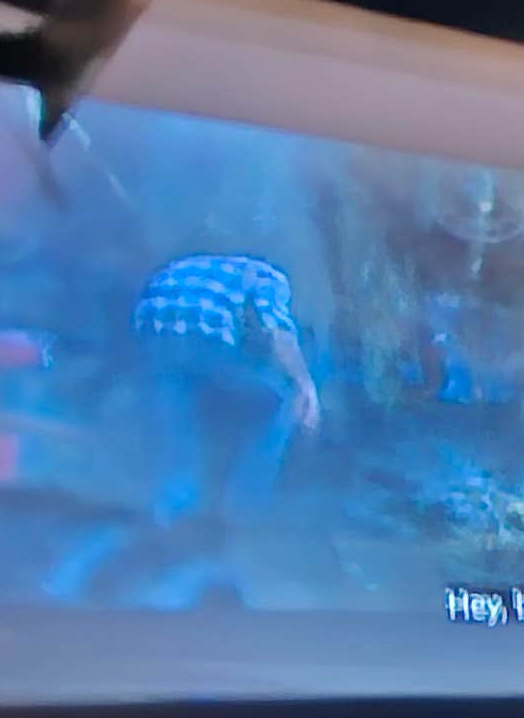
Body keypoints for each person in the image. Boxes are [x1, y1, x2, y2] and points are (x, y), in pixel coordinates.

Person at [46, 252, 322, 607]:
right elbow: (277, 329)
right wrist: (304, 383)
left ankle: (171, 508)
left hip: (153, 349)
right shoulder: (268, 276)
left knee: (177, 445)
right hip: (203, 346)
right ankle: (244, 506)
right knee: (277, 401)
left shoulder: (181, 268)